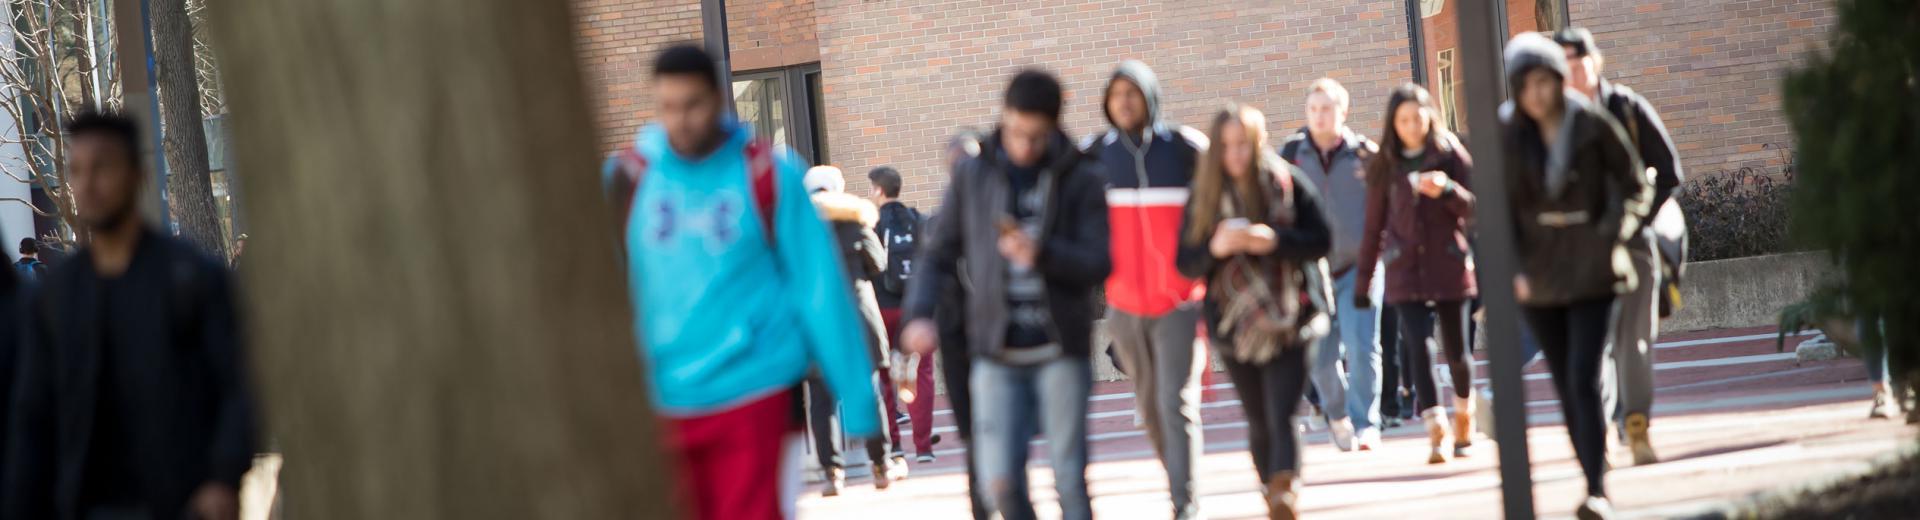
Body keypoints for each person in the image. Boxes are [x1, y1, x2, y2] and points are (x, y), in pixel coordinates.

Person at [602, 45, 880, 520]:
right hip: (660, 400)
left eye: (692, 105)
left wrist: (858, 397)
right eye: (667, 107)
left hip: (757, 391)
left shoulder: (769, 175)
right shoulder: (629, 179)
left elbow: (820, 291)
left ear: (717, 99)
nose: (680, 120)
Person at [3, 111, 259, 520]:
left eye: (102, 166)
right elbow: (33, 415)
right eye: (76, 170)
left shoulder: (193, 279)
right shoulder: (57, 296)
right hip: (86, 504)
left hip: (183, 500)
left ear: (137, 174)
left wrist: (223, 479)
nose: (88, 183)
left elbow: (238, 386)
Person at [900, 69, 1110, 520]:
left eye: (1037, 137)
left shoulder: (1080, 177)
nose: (1025, 147)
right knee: (999, 482)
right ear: (1004, 116)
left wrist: (1043, 253)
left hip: (1059, 348)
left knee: (1069, 478)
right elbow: (936, 254)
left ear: (1054, 126)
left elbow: (1099, 262)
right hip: (995, 348)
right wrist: (918, 314)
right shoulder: (974, 175)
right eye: (1017, 132)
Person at [1501, 32, 1652, 520]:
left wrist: (1611, 232)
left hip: (1594, 268)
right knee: (1565, 383)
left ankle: (1595, 489)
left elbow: (1635, 186)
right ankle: (1590, 465)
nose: (1537, 95)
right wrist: (1513, 270)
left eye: (1545, 82)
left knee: (1584, 374)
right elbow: (1495, 212)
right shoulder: (1507, 133)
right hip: (1539, 276)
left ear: (1559, 80)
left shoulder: (1590, 121)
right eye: (1527, 86)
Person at [1176, 103, 1332, 520]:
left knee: (1281, 412)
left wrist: (1274, 241)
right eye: (1225, 146)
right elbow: (1185, 262)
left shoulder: (1287, 181)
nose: (1235, 155)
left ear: (1257, 141)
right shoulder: (1204, 194)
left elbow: (1321, 239)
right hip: (1234, 324)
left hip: (1292, 317)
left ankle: (1285, 494)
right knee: (1259, 418)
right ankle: (1271, 492)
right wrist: (1215, 248)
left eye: (1242, 144)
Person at [1084, 59, 1210, 517]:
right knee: (1152, 411)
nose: (1124, 101)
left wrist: (1201, 268)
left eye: (1133, 92)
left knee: (1174, 402)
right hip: (1124, 305)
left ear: (1150, 96)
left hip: (1178, 302)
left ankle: (1186, 504)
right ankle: (1179, 477)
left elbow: (1219, 204)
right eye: (1116, 94)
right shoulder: (1094, 153)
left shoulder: (1185, 147)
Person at [1554, 27, 1685, 466]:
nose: (1573, 69)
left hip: (1633, 248)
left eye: (1579, 59)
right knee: (1591, 347)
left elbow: (1668, 172)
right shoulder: (1552, 123)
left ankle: (1637, 428)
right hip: (1578, 254)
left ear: (1596, 61)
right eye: (1563, 62)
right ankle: (1603, 434)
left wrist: (1637, 222)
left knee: (1634, 342)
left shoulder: (1626, 108)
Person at [1354, 83, 1480, 464]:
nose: (1411, 125)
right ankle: (1436, 429)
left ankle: (1463, 413)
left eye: (1417, 117)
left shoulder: (1449, 154)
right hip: (1403, 269)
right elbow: (1373, 226)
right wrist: (1363, 282)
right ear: (1394, 123)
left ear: (1430, 116)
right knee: (1419, 349)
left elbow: (1476, 208)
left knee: (1457, 353)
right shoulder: (1385, 165)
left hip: (1448, 264)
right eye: (1403, 119)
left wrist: (1447, 192)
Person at [1277, 78, 1384, 451]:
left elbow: (1386, 206)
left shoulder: (1365, 154)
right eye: (1314, 109)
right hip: (1312, 270)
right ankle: (1337, 415)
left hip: (1360, 265)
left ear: (1344, 112)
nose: (1320, 116)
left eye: (1328, 109)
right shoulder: (1291, 153)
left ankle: (1365, 423)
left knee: (1361, 346)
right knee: (1320, 355)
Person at [800, 165, 905, 495]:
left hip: (816, 318)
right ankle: (880, 464)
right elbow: (879, 263)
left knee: (821, 398)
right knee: (867, 390)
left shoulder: (796, 223)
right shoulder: (853, 219)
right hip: (856, 314)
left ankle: (832, 472)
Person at [933, 128, 992, 520]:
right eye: (957, 164)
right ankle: (982, 508)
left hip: (998, 339)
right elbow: (926, 277)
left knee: (1002, 431)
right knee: (972, 434)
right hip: (955, 341)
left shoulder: (1002, 215)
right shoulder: (936, 224)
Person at [866, 165, 941, 463]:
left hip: (882, 309)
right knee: (921, 373)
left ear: (879, 191)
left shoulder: (872, 223)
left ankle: (893, 444)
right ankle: (924, 446)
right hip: (916, 309)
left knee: (884, 374)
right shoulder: (917, 220)